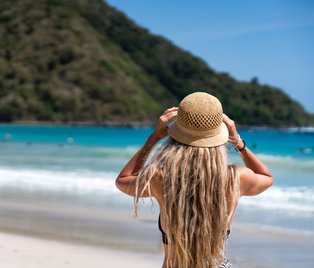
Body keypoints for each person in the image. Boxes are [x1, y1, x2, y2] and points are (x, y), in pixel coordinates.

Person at [116, 92, 273, 268]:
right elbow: (267, 177)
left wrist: (153, 138)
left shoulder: (160, 178)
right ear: (220, 133)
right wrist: (238, 142)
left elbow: (123, 180)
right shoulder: (235, 179)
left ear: (176, 134)